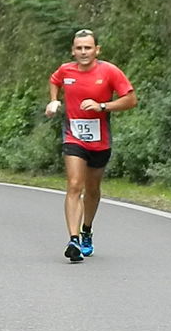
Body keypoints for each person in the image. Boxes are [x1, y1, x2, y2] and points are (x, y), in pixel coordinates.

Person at [45, 29, 138, 262]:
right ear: (72, 50)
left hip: (100, 140)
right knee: (74, 185)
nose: (83, 52)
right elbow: (54, 80)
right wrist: (54, 100)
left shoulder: (109, 71)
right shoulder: (66, 70)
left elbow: (131, 99)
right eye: (79, 48)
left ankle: (86, 230)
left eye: (88, 48)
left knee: (92, 189)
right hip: (73, 136)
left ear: (97, 50)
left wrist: (103, 107)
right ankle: (73, 240)